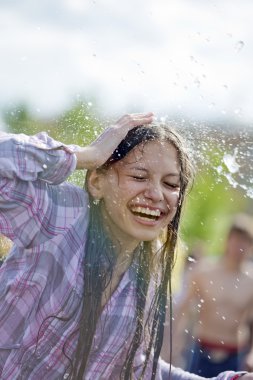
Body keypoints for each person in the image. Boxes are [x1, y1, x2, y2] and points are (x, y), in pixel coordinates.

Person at [0, 112, 251, 380]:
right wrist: (86, 155)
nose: (156, 194)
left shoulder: (145, 270)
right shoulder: (63, 216)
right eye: (139, 177)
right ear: (97, 182)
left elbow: (134, 367)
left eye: (170, 184)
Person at [162, 213, 253, 378]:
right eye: (236, 240)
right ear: (227, 241)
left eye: (245, 242)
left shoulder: (251, 281)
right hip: (201, 350)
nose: (239, 247)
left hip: (235, 353)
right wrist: (173, 343)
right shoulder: (204, 271)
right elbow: (183, 309)